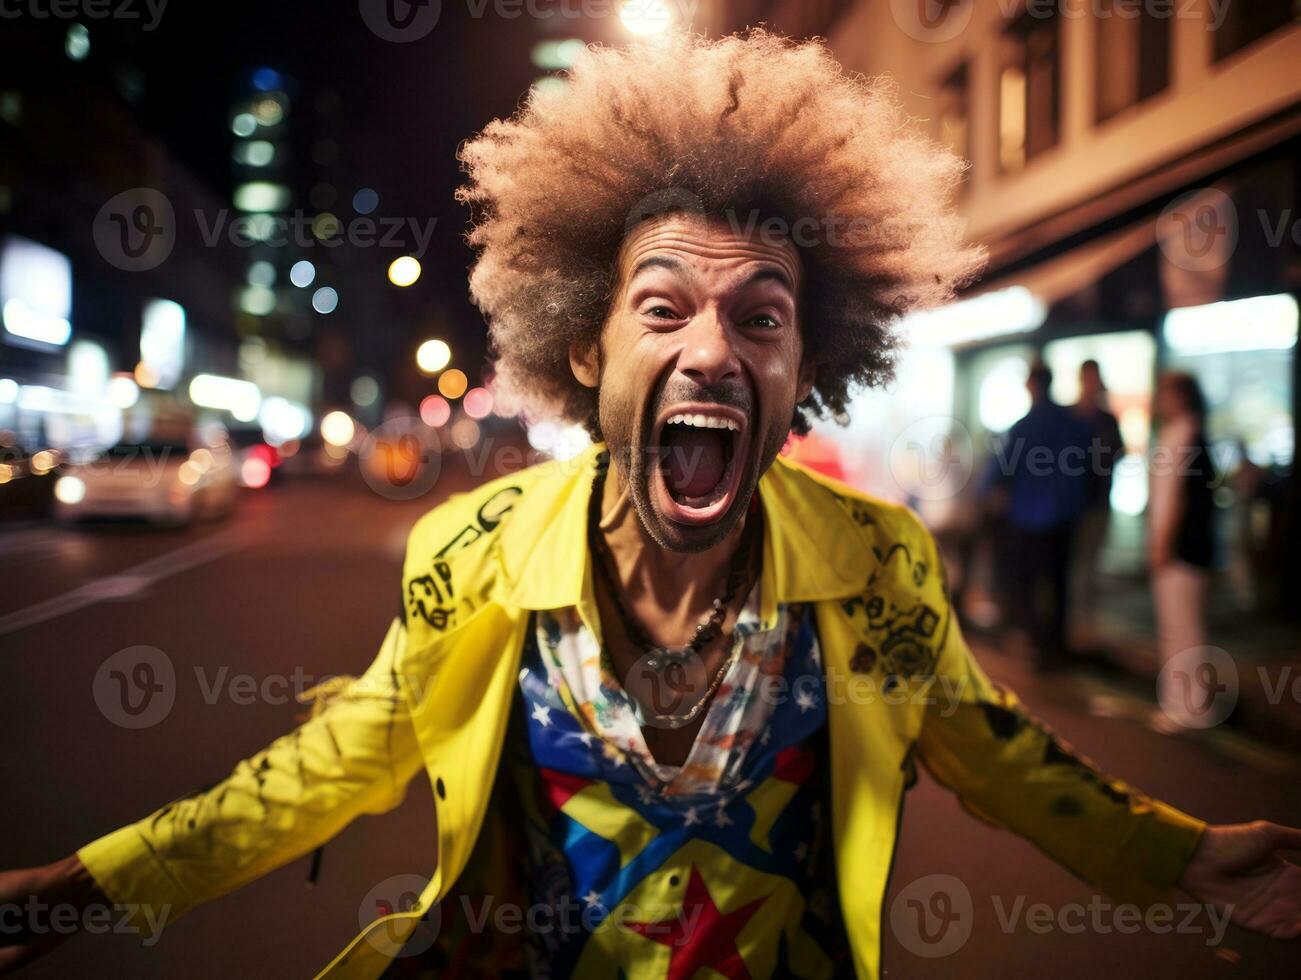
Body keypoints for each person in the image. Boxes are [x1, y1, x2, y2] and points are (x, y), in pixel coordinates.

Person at [4, 33, 1299, 980]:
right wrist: (91, 882)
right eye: (663, 308)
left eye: (763, 318)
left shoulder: (876, 564)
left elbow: (1002, 755)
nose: (713, 353)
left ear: (806, 368)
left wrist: (1183, 860)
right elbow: (330, 763)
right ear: (583, 346)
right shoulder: (470, 552)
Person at [986, 361, 1092, 669]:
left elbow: (1001, 470)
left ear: (1032, 385)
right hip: (1066, 516)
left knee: (1028, 581)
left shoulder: (1024, 426)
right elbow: (1089, 465)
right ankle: (1056, 643)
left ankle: (1035, 640)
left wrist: (990, 494)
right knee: (1059, 582)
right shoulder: (1073, 423)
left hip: (1030, 517)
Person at [1149, 371, 1218, 730]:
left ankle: (1190, 706)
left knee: (1184, 626)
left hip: (1183, 551)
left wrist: (1163, 543)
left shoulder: (1187, 437)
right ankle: (1182, 703)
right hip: (1178, 548)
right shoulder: (1179, 434)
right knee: (1176, 626)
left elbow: (1179, 500)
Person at [1070, 359, 1126, 643]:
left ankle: (1084, 623)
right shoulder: (1071, 415)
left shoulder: (1105, 419)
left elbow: (1118, 453)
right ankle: (1073, 623)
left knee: (1088, 565)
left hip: (1096, 502)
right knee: (1073, 565)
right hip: (1071, 505)